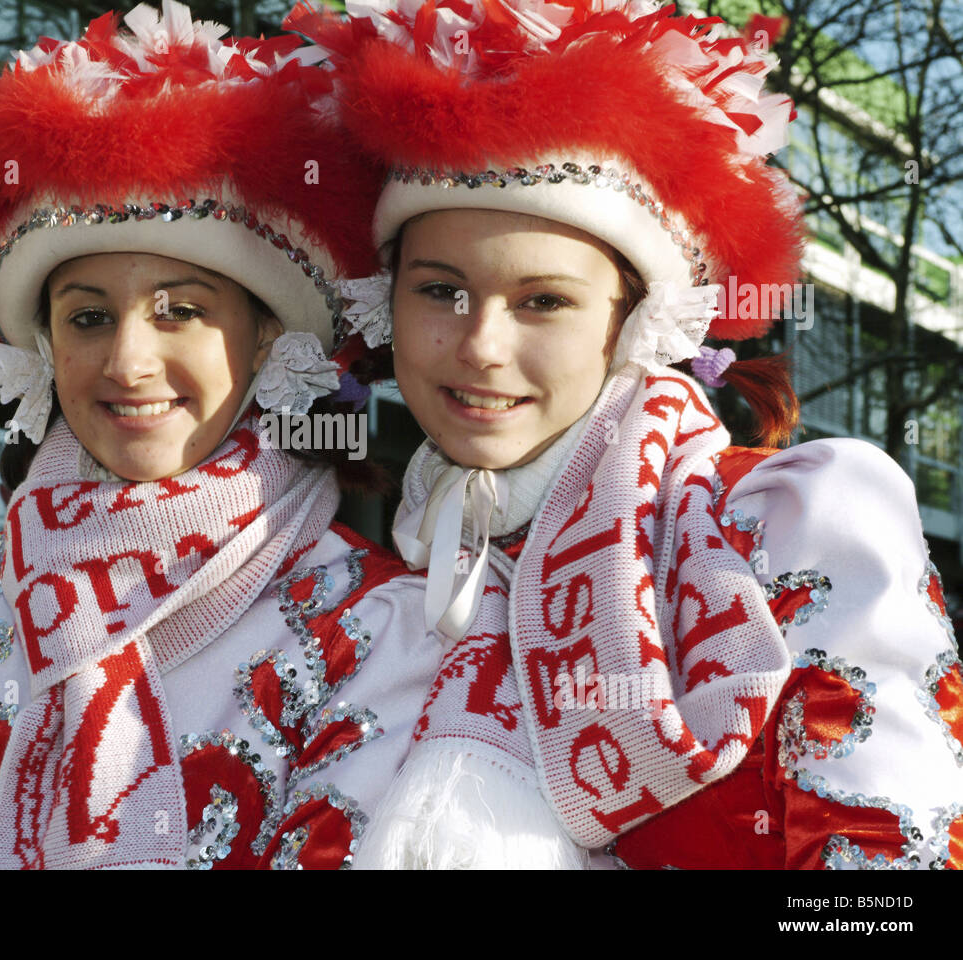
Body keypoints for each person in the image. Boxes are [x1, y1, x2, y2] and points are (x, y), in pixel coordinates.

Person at [0, 1, 469, 870]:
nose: (128, 361)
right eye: (87, 318)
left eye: (180, 312)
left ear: (269, 338)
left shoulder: (381, 633)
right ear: (45, 348)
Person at [293, 0, 963, 868]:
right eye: (439, 291)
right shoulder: (378, 591)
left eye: (544, 301)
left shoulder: (784, 521)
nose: (482, 346)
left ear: (636, 323)